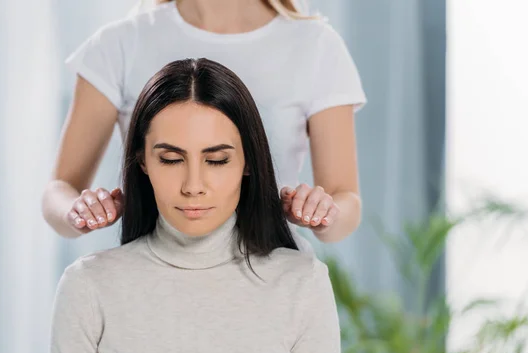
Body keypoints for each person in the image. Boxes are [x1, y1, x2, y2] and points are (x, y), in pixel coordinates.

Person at [49, 58, 340, 353]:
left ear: (248, 161)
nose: (193, 186)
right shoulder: (88, 287)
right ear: (142, 161)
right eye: (171, 160)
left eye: (216, 160)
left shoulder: (302, 283)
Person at [41, 0, 367, 254]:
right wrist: (78, 211)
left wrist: (321, 213)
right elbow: (60, 188)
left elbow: (345, 200)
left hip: (271, 288)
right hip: (150, 284)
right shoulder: (120, 44)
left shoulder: (316, 47)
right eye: (170, 159)